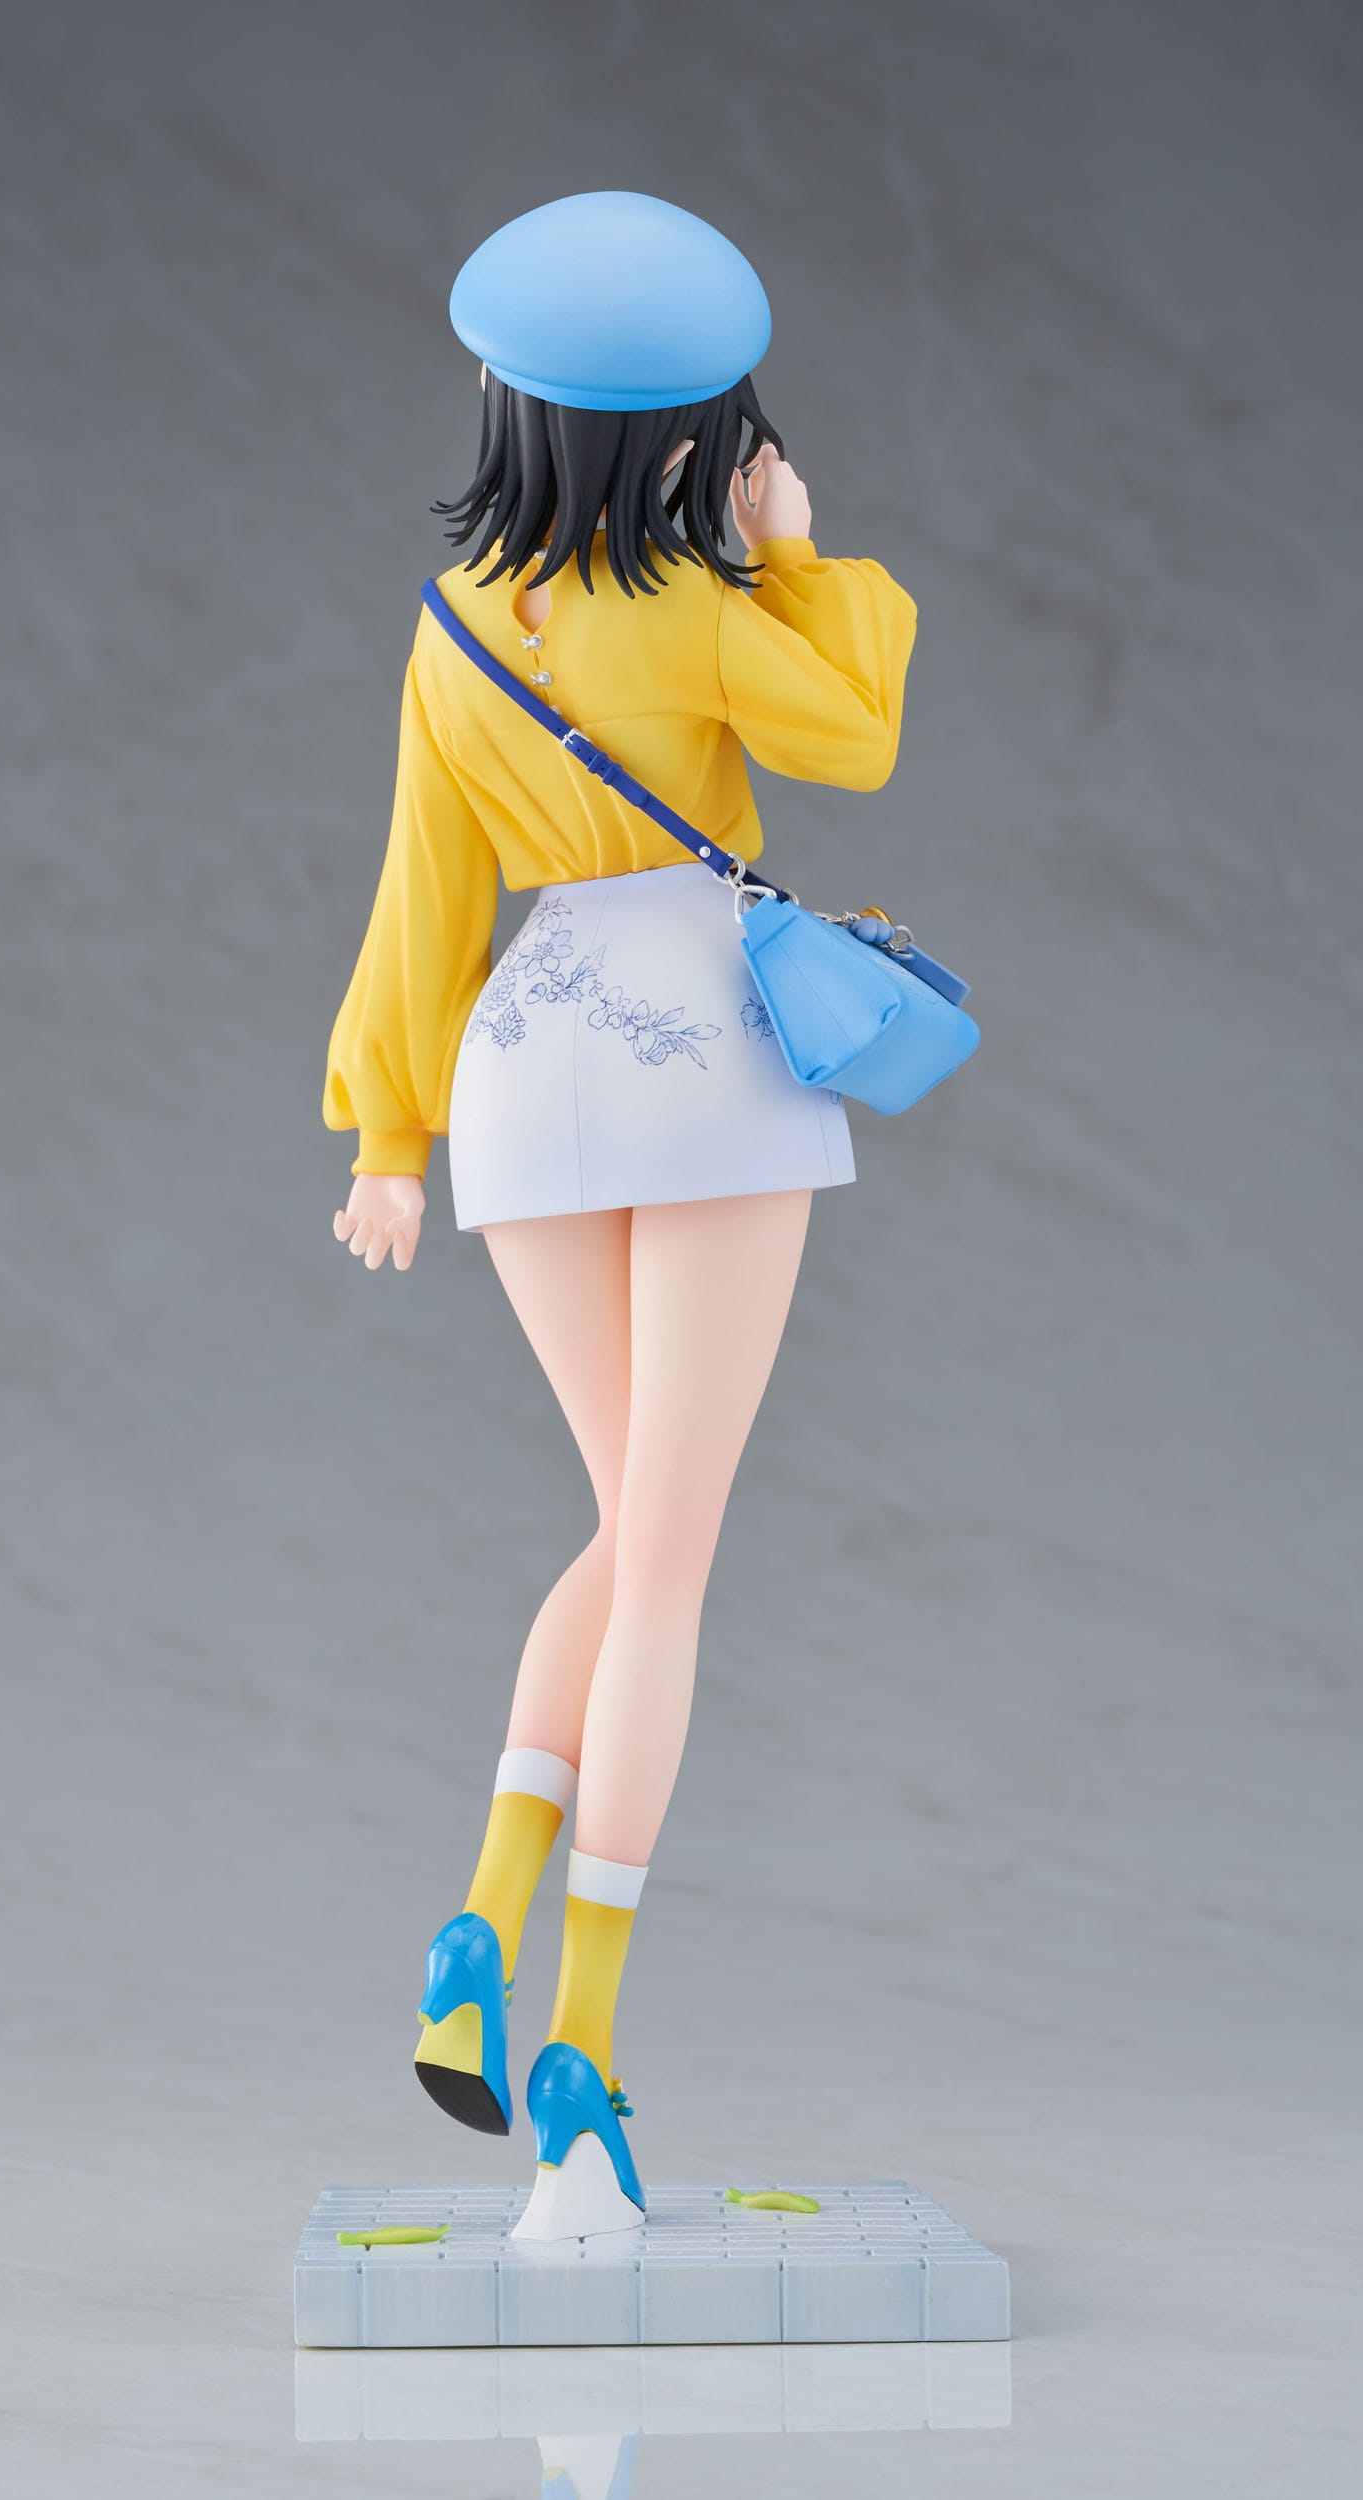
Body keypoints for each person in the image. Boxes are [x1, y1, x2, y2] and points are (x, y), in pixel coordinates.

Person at [324, 193, 918, 2240]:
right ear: (692, 436)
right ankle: (576, 2030)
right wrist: (798, 555)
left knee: (620, 1524)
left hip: (526, 1054)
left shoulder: (451, 622)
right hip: (702, 1049)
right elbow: (857, 734)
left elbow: (423, 888)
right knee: (666, 1560)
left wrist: (386, 1134)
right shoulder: (699, 604)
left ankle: (477, 1920)